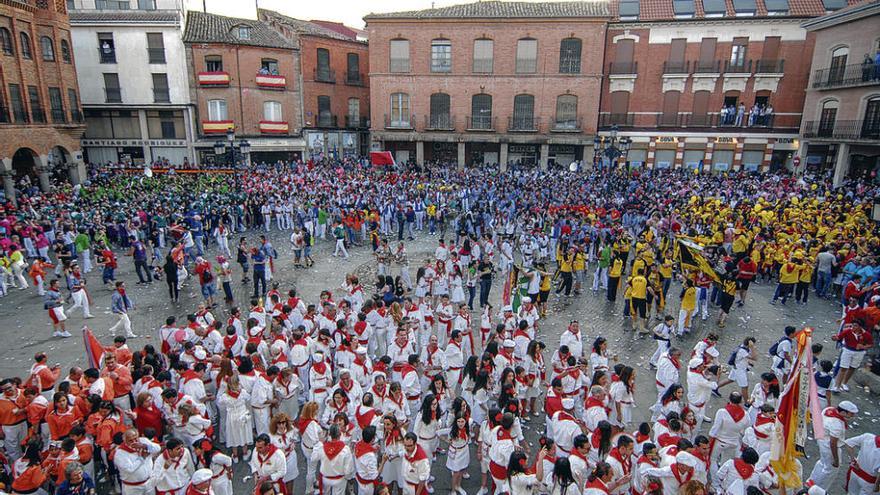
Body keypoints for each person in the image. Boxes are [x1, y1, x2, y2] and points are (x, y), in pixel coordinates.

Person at [809, 400, 859, 489]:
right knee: (830, 470)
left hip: (822, 439)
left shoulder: (829, 409)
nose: (852, 416)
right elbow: (833, 443)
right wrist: (836, 460)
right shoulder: (837, 424)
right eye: (851, 414)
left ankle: (812, 481)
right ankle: (819, 489)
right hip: (828, 446)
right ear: (843, 412)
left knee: (822, 463)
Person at [114, 429, 162, 495]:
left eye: (135, 439)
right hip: (133, 488)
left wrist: (145, 446)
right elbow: (129, 469)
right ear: (125, 441)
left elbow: (158, 448)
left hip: (149, 483)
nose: (134, 442)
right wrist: (142, 458)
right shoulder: (120, 453)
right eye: (130, 440)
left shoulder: (143, 441)